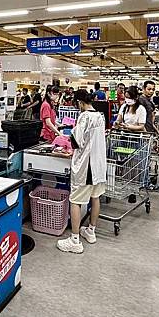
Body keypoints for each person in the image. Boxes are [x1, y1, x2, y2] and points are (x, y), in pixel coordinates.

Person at [57, 89, 107, 253]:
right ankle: (91, 231)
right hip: (99, 166)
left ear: (79, 102)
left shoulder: (84, 116)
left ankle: (75, 240)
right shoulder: (100, 116)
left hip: (86, 166)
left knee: (75, 201)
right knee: (95, 197)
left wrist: (70, 133)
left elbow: (76, 141)